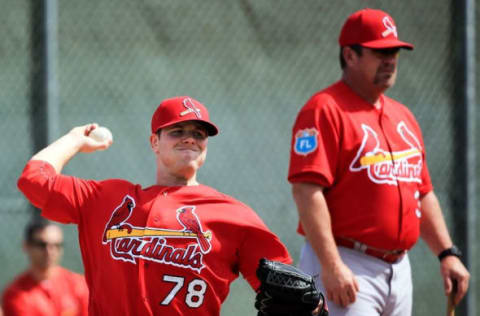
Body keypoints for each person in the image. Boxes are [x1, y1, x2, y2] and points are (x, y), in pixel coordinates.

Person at [16, 96, 297, 316]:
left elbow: (289, 293)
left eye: (199, 134)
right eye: (177, 131)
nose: (190, 138)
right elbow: (34, 180)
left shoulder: (234, 215)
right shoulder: (106, 198)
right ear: (154, 142)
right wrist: (75, 139)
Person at [287, 8, 470, 316]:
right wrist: (332, 266)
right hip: (348, 262)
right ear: (350, 55)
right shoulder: (323, 110)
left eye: (394, 52)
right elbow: (306, 191)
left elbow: (422, 192)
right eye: (380, 52)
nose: (390, 60)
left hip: (399, 267)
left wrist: (446, 253)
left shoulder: (403, 115)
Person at [2, 217, 89, 316]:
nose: (50, 251)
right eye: (42, 245)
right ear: (26, 246)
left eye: (56, 245)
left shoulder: (78, 285)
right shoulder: (16, 294)